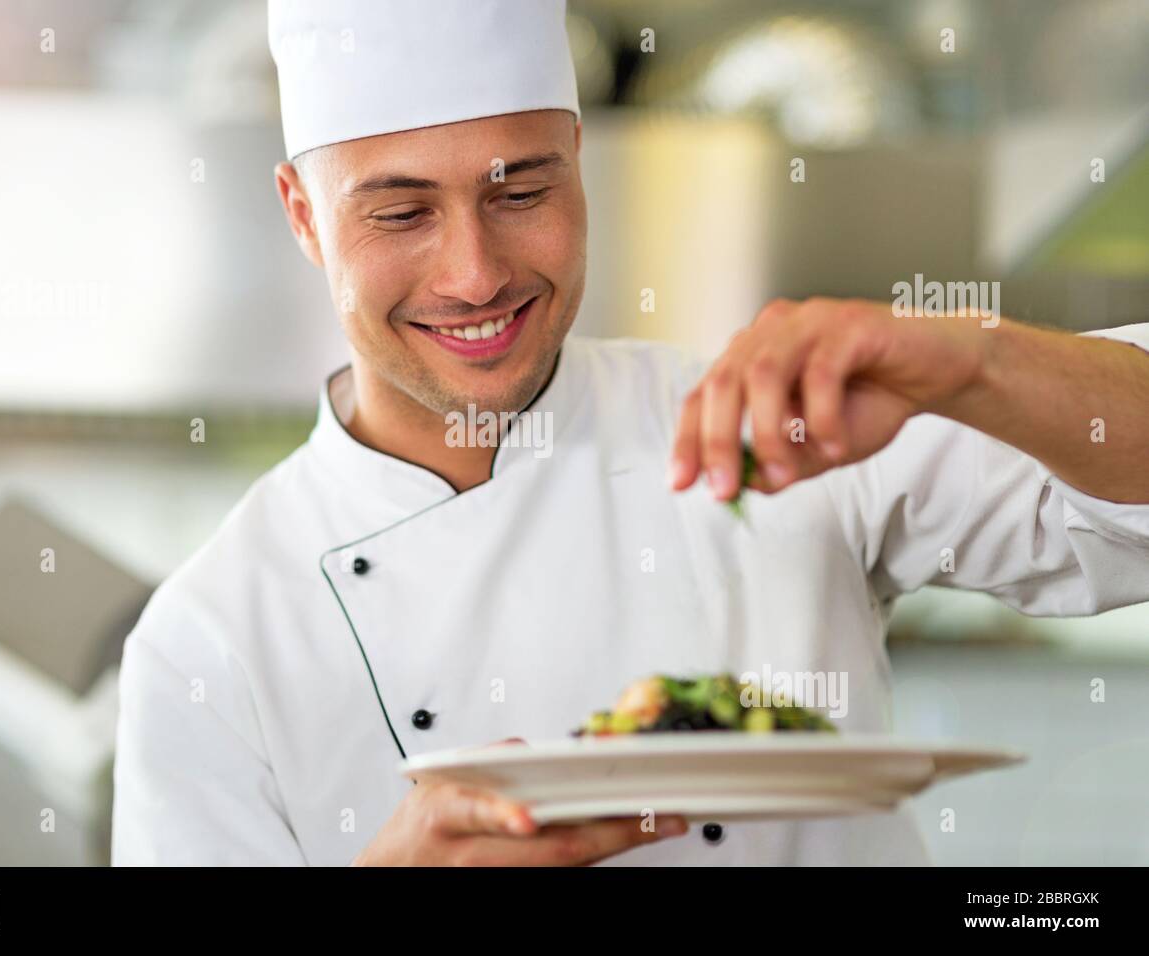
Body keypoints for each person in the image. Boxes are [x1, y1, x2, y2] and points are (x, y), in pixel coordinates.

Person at [111, 0, 1149, 866]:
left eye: (521, 190)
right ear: (301, 214)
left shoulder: (760, 419)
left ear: (578, 163)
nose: (474, 273)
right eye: (399, 214)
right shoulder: (211, 641)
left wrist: (975, 359)